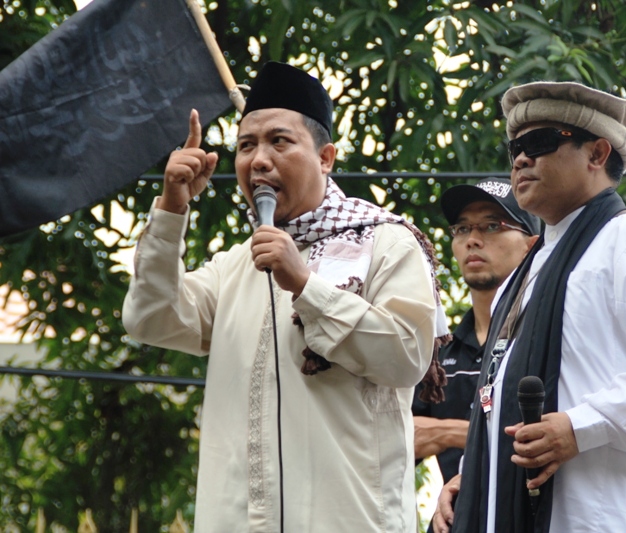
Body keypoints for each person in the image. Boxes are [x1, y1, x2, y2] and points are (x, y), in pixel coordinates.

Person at [122, 61, 450, 532]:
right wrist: (172, 209)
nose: (258, 160)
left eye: (279, 141)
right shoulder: (237, 264)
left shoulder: (385, 243)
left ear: (326, 158)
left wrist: (306, 287)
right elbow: (150, 318)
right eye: (246, 146)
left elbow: (407, 357)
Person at [432, 81, 626, 533]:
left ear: (598, 153)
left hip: (616, 515)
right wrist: (475, 475)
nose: (521, 160)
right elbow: (498, 395)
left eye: (539, 143)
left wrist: (580, 427)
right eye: (515, 149)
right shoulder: (525, 273)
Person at [412, 177, 540, 486]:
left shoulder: (545, 338)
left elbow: (558, 435)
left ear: (532, 246)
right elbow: (391, 436)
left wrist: (450, 432)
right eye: (462, 228)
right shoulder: (437, 353)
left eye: (492, 226)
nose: (472, 239)